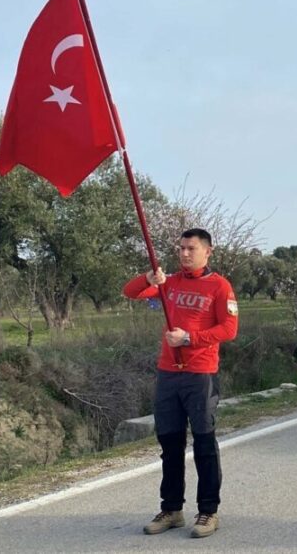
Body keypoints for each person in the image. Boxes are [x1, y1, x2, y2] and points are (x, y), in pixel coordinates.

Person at [123, 229, 238, 539]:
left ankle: (208, 511)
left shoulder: (219, 286)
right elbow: (131, 292)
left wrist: (190, 338)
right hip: (168, 374)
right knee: (170, 445)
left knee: (203, 443)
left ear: (207, 251)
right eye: (182, 248)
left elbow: (229, 328)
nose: (185, 254)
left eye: (191, 248)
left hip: (200, 374)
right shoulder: (170, 282)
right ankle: (172, 509)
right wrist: (149, 278)